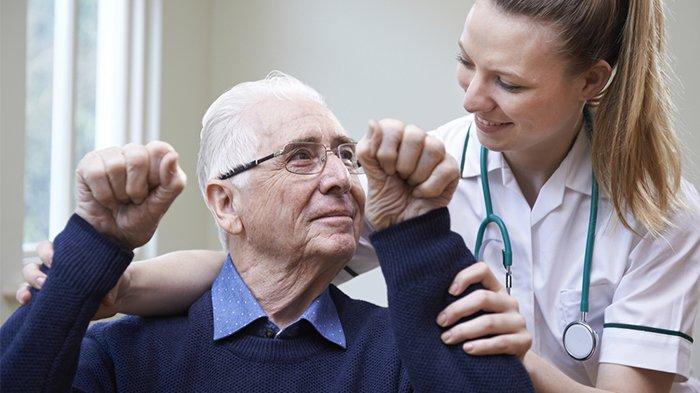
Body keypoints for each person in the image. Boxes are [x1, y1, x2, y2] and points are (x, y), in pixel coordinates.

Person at [18, 0, 700, 391]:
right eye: (465, 62)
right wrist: (105, 277)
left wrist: (510, 353)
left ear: (592, 80)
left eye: (509, 84)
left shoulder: (663, 213)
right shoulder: (433, 165)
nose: (470, 98)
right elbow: (265, 263)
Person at [1, 73, 533, 392]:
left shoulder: (399, 350)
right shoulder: (122, 355)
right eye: (301, 158)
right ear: (226, 204)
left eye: (346, 157)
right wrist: (96, 243)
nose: (339, 180)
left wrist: (417, 230)